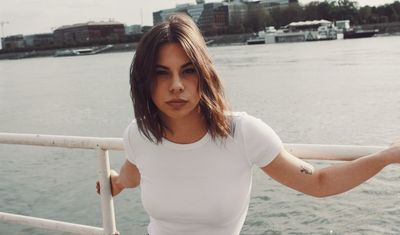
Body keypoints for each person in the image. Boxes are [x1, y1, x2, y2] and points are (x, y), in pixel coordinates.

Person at [96, 13, 400, 235]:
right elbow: (131, 176)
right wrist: (114, 182)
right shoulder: (139, 134)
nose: (176, 85)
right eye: (162, 73)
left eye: (187, 71)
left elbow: (318, 182)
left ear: (204, 75)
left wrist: (386, 156)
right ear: (144, 81)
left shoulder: (241, 133)